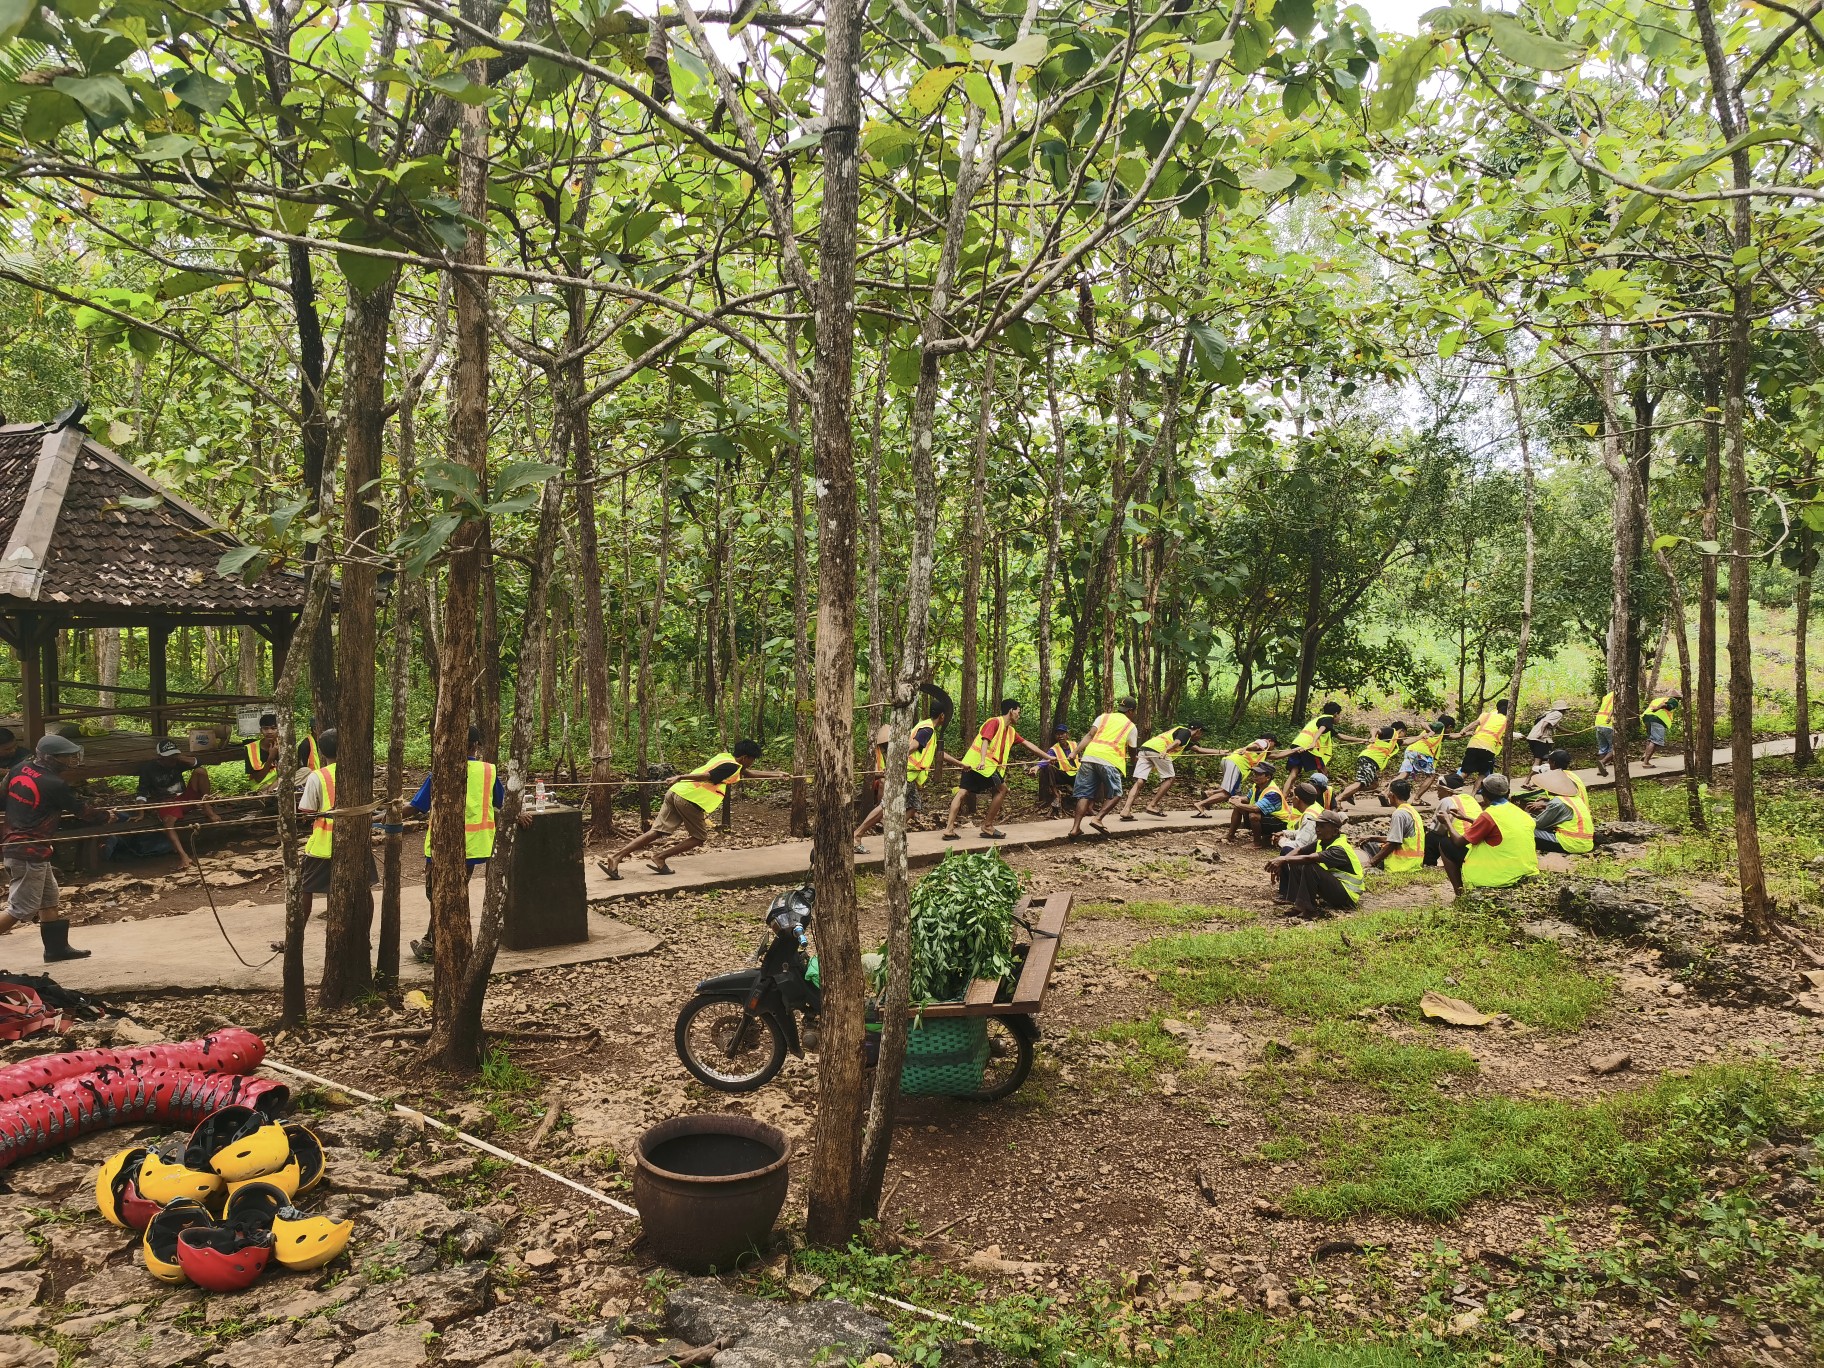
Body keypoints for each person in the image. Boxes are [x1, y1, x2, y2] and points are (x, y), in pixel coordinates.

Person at [408, 725, 522, 963]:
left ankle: (437, 943)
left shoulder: (440, 770)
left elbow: (416, 807)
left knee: (436, 893)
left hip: (441, 847)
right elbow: (503, 801)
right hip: (473, 846)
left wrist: (385, 813)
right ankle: (435, 940)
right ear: (475, 746)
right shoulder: (488, 772)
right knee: (455, 891)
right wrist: (519, 814)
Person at [602, 740, 788, 877]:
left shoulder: (726, 758)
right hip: (689, 799)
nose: (752, 763)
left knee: (657, 831)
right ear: (745, 757)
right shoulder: (732, 767)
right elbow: (708, 775)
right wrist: (681, 776)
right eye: (753, 759)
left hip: (675, 793)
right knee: (699, 838)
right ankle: (659, 856)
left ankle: (616, 857)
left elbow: (747, 773)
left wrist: (776, 774)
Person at [0, 734, 109, 960]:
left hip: (27, 847)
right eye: (65, 757)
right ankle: (56, 949)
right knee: (20, 908)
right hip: (28, 851)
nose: (70, 761)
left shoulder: (20, 768)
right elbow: (83, 812)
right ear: (50, 758)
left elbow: (3, 792)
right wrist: (107, 816)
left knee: (49, 897)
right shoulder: (55, 784)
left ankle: (56, 950)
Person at [854, 695, 961, 850]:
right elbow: (913, 746)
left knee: (914, 805)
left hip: (908, 776)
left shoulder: (926, 728)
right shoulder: (927, 729)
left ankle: (895, 834)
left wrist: (960, 764)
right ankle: (857, 835)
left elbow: (939, 753)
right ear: (942, 715)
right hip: (905, 774)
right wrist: (895, 763)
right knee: (886, 806)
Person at [941, 699, 1051, 841]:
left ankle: (949, 829)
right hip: (984, 765)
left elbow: (1028, 744)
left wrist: (1048, 757)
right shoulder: (994, 722)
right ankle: (987, 825)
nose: (1019, 715)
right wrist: (981, 760)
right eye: (1018, 712)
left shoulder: (1011, 732)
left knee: (962, 792)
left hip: (975, 763)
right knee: (1002, 789)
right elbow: (985, 740)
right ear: (1011, 711)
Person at [297, 730, 378, 917]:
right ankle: (363, 937)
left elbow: (307, 809)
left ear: (322, 752)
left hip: (324, 843)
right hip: (356, 839)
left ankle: (295, 938)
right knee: (364, 888)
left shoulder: (317, 776)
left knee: (305, 886)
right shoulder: (359, 773)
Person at [1438, 773, 1538, 896]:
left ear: (1484, 795)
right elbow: (1498, 827)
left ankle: (1459, 894)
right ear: (1508, 792)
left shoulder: (1489, 815)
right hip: (1525, 869)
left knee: (1445, 843)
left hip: (1499, 874)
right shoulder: (1519, 812)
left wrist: (1447, 822)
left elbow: (1459, 841)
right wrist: (1466, 818)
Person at [135, 739, 222, 871]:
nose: (172, 760)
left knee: (200, 771)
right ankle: (183, 855)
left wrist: (179, 758)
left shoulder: (178, 762)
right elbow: (142, 793)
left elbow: (198, 763)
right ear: (160, 757)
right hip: (165, 801)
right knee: (168, 822)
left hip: (183, 797)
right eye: (168, 757)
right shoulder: (149, 769)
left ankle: (207, 807)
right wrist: (140, 813)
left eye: (174, 756)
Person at [1267, 810, 1363, 919]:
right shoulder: (1322, 842)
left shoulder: (1339, 848)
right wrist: (1282, 861)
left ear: (1335, 831)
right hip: (1335, 887)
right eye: (1317, 825)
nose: (1317, 829)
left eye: (1322, 826)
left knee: (1310, 866)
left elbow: (1309, 858)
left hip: (1347, 895)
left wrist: (1283, 859)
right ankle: (1296, 904)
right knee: (1296, 862)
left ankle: (1309, 910)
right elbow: (1299, 850)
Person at [1068, 699, 1138, 839]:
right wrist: (1135, 763)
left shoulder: (1103, 717)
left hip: (1089, 757)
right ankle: (1098, 819)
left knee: (1084, 794)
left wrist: (1075, 752)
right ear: (1130, 711)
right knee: (1117, 793)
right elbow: (1132, 750)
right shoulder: (1131, 727)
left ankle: (1075, 829)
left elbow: (1089, 735)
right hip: (1109, 760)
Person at [1118, 721, 1216, 820]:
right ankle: (1152, 805)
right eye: (1201, 733)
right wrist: (1166, 751)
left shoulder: (1184, 738)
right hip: (1159, 750)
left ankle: (1126, 810)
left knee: (1140, 781)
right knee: (1170, 778)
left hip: (1145, 749)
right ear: (1198, 730)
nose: (1201, 735)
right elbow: (1176, 742)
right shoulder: (1185, 732)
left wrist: (1221, 752)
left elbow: (1199, 750)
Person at [1191, 734, 1277, 816]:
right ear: (1270, 740)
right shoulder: (1265, 742)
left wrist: (1290, 752)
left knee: (1233, 791)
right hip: (1236, 764)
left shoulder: (1263, 752)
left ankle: (1210, 793)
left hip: (1231, 763)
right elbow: (1256, 746)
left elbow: (1276, 756)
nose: (1274, 747)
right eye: (1275, 744)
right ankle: (1200, 804)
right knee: (1227, 793)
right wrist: (1246, 748)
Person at [1362, 778, 1433, 872]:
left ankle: (1371, 867)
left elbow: (1393, 843)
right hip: (1413, 862)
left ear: (1392, 795)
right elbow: (1400, 838)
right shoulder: (1412, 811)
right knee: (1372, 841)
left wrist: (1371, 862)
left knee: (1368, 845)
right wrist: (1373, 837)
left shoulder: (1399, 814)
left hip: (1400, 864)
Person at [1336, 723, 1405, 806]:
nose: (1404, 736)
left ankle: (1347, 791)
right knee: (1361, 782)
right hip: (1369, 759)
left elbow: (1406, 742)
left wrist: (1420, 737)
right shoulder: (1390, 731)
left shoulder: (1394, 741)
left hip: (1372, 762)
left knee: (1374, 784)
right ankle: (1338, 799)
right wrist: (1373, 737)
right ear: (1401, 730)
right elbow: (1375, 729)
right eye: (1405, 734)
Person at [1529, 780, 1595, 856]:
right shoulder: (1576, 799)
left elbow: (1539, 823)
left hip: (1570, 844)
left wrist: (1524, 817)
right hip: (1587, 844)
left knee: (1527, 829)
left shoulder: (1558, 802)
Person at [1399, 715, 1454, 803]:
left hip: (1411, 750)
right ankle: (1416, 799)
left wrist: (1467, 733)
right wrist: (1430, 730)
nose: (1450, 732)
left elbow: (1451, 736)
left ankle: (1386, 793)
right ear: (1449, 726)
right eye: (1451, 729)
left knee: (1404, 774)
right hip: (1421, 752)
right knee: (1431, 776)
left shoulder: (1440, 733)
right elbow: (1423, 723)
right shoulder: (1440, 725)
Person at [1451, 699, 1511, 779]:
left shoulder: (1486, 715)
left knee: (1465, 771)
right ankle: (1474, 792)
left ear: (1497, 708)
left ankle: (1452, 785)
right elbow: (1509, 735)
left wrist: (1464, 730)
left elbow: (1475, 723)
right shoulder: (1507, 721)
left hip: (1473, 744)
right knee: (1483, 773)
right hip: (1488, 748)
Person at [1223, 762, 1278, 843]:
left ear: (1268, 777)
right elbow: (1248, 799)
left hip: (1278, 822)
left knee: (1253, 815)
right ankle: (1230, 835)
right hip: (1266, 817)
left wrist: (1238, 803)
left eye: (1259, 774)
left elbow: (1256, 808)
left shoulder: (1272, 792)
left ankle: (1257, 843)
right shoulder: (1257, 786)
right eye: (1254, 773)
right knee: (1238, 808)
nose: (1255, 776)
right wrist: (1239, 799)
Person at [1038, 723, 1079, 818]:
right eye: (1058, 734)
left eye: (1062, 733)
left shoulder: (1075, 745)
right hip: (1063, 775)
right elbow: (1046, 759)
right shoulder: (1054, 749)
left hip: (1077, 775)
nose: (1060, 736)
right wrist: (1037, 767)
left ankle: (1088, 804)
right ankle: (1056, 795)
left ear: (1067, 735)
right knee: (1049, 767)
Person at [1639, 691, 1682, 768]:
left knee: (1650, 739)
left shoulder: (1657, 699)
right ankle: (1646, 762)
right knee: (1656, 740)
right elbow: (1665, 705)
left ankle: (1645, 755)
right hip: (1658, 720)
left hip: (1646, 718)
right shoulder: (1673, 700)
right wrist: (1657, 708)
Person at [243, 713, 284, 791]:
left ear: (279, 729)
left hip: (280, 782)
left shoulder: (284, 745)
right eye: (265, 729)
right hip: (261, 786)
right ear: (261, 730)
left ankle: (273, 790)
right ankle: (270, 792)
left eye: (273, 728)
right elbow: (258, 779)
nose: (269, 732)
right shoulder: (251, 748)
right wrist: (271, 757)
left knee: (305, 771)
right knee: (286, 780)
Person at [1525, 701, 1570, 765]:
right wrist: (1541, 733)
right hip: (1541, 739)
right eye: (1565, 710)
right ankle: (1532, 775)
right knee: (1539, 761)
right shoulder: (1558, 714)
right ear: (1562, 709)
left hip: (1532, 738)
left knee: (1542, 760)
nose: (1565, 711)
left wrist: (1572, 732)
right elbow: (1545, 723)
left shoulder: (1549, 714)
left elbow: (1558, 728)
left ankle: (1539, 774)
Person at [1593, 689, 1616, 776]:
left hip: (1599, 721)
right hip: (1608, 723)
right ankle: (1603, 762)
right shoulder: (1620, 693)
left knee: (1603, 748)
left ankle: (1600, 770)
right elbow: (1615, 707)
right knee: (1615, 748)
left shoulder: (1608, 695)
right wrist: (1609, 717)